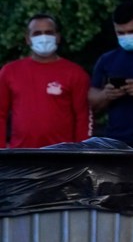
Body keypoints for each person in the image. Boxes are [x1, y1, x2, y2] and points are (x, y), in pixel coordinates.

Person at [1, 15, 91, 148]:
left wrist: (83, 154)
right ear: (28, 39)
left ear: (58, 37)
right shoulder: (9, 72)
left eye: (49, 32)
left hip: (62, 157)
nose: (43, 37)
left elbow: (83, 116)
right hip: (21, 156)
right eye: (37, 33)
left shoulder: (75, 73)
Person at [87, 1, 133, 147]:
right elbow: (92, 101)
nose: (126, 37)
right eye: (120, 33)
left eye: (132, 32)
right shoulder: (107, 60)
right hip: (116, 140)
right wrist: (106, 94)